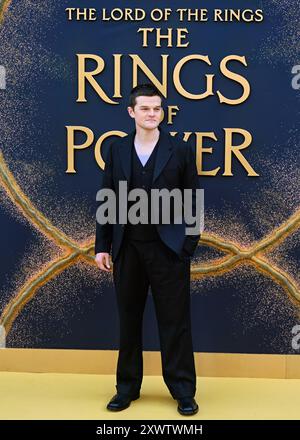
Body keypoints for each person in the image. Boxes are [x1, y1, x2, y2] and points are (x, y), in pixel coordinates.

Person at [95, 83, 201, 416]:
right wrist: (103, 246)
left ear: (162, 112)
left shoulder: (180, 150)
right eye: (145, 108)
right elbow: (107, 197)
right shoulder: (116, 149)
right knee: (128, 321)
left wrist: (187, 246)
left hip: (169, 251)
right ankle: (126, 389)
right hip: (127, 250)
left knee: (176, 322)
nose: (152, 114)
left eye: (157, 108)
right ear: (132, 112)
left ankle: (183, 391)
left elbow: (193, 201)